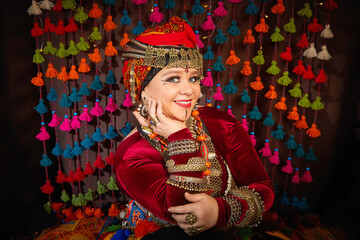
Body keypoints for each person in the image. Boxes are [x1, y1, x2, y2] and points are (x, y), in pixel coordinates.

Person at [114, 17, 275, 239]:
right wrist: (179, 138)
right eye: (173, 79)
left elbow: (262, 187)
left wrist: (221, 211)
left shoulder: (220, 124)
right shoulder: (132, 154)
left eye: (193, 78)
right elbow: (186, 217)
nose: (189, 91)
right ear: (142, 90)